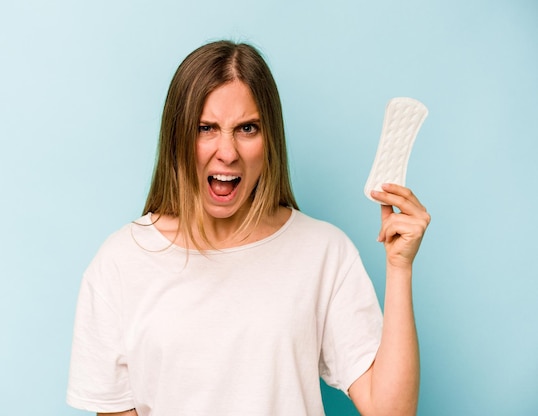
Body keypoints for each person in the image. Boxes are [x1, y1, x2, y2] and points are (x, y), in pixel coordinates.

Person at [67, 40, 430, 416]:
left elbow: (391, 412)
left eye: (247, 128)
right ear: (176, 137)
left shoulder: (323, 252)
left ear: (269, 139)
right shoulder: (121, 261)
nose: (227, 152)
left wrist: (400, 268)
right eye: (205, 127)